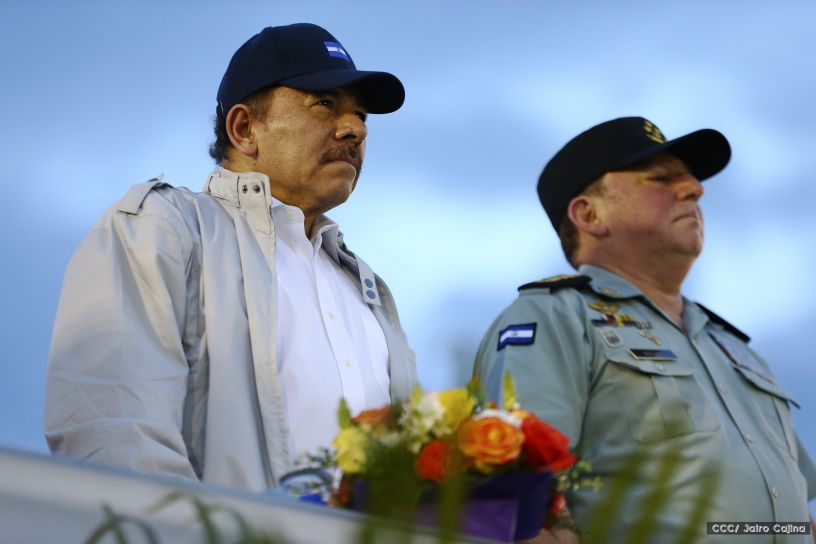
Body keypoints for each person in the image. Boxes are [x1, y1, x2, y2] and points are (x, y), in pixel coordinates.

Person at [44, 23, 417, 492]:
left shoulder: (369, 292)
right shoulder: (162, 228)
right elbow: (113, 433)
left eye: (360, 114)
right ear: (244, 129)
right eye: (325, 104)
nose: (356, 129)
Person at [473, 117, 816, 542]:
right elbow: (520, 497)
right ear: (589, 214)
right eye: (660, 179)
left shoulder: (733, 348)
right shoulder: (555, 317)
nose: (695, 189)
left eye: (690, 179)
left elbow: (795, 508)